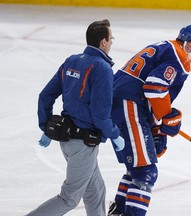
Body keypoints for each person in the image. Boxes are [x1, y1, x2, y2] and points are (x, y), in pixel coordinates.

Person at [26, 19, 124, 216]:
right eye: (111, 38)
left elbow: (45, 96)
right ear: (103, 42)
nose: (112, 42)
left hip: (69, 140)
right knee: (69, 198)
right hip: (82, 145)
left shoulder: (72, 60)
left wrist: (46, 126)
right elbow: (100, 114)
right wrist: (114, 134)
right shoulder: (102, 69)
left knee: (96, 191)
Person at [108, 24, 191, 216]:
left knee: (137, 167)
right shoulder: (179, 56)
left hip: (122, 104)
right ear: (190, 45)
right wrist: (168, 116)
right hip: (129, 105)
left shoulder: (165, 47)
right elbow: (155, 87)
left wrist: (155, 128)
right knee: (146, 172)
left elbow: (149, 89)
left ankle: (118, 212)